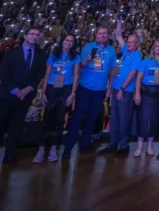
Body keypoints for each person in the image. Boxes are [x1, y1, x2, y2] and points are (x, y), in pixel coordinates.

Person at [0, 27, 46, 169]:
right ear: (25, 35)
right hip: (7, 95)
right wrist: (15, 90)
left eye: (37, 35)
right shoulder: (11, 53)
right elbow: (4, 73)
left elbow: (40, 73)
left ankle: (9, 156)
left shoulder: (41, 54)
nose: (34, 36)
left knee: (16, 128)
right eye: (32, 34)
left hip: (26, 96)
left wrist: (30, 87)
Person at [63, 26, 116, 160]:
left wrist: (110, 88)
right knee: (77, 117)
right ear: (95, 35)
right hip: (84, 87)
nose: (103, 35)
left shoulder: (111, 49)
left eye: (105, 33)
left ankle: (85, 143)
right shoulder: (88, 47)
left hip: (100, 89)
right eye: (100, 33)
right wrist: (87, 59)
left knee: (92, 117)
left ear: (108, 35)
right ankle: (68, 147)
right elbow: (80, 65)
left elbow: (112, 70)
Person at [33, 34, 80, 163]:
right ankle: (41, 149)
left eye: (71, 41)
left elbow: (76, 76)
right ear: (62, 41)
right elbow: (47, 74)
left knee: (60, 121)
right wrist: (43, 92)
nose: (68, 43)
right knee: (47, 120)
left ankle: (54, 148)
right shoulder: (53, 55)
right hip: (52, 89)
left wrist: (73, 93)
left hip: (66, 89)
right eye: (66, 40)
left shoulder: (75, 57)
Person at [101, 22, 142, 155]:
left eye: (132, 42)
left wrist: (122, 88)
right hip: (115, 89)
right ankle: (113, 143)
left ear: (137, 44)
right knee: (114, 118)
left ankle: (124, 146)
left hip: (126, 91)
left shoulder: (137, 55)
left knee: (124, 118)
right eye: (128, 42)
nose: (129, 44)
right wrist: (119, 23)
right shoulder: (125, 52)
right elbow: (118, 35)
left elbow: (132, 73)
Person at [133, 40, 159, 157]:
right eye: (157, 46)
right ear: (153, 48)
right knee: (143, 119)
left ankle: (150, 146)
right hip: (146, 93)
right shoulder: (146, 61)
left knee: (155, 120)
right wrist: (137, 94)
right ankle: (139, 146)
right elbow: (138, 78)